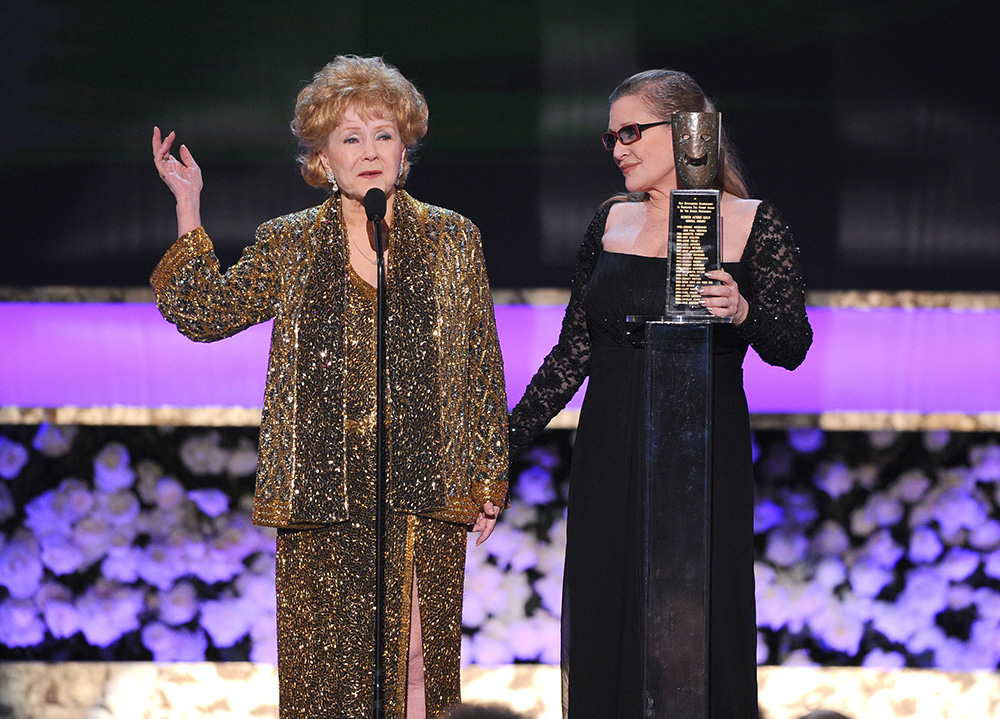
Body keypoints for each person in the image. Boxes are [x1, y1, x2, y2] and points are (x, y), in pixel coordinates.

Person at [150, 55, 508, 719]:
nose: (369, 151)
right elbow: (205, 313)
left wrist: (488, 474)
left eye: (383, 135)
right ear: (322, 157)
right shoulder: (290, 243)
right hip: (322, 498)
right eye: (350, 137)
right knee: (326, 688)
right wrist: (188, 205)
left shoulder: (455, 238)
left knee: (419, 674)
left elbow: (480, 360)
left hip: (425, 491)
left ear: (404, 149)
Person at [508, 69, 813, 719]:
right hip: (610, 451)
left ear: (686, 131)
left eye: (630, 132)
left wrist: (743, 313)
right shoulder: (610, 223)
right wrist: (501, 446)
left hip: (698, 458)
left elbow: (791, 345)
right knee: (606, 614)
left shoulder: (748, 224)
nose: (617, 148)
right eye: (610, 136)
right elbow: (573, 351)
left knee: (690, 627)